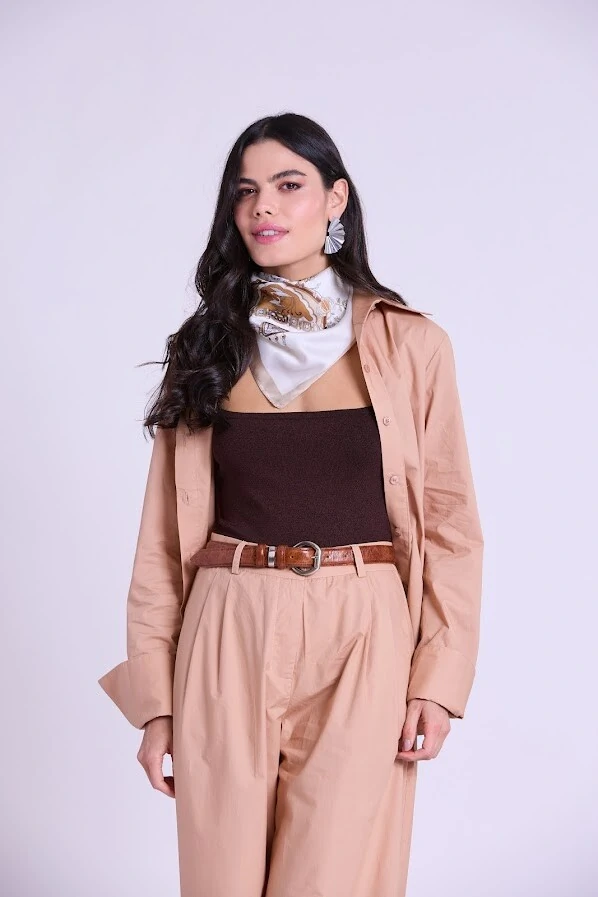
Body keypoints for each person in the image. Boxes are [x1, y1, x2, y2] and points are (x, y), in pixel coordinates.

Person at [98, 111, 484, 897]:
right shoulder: (205, 348)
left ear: (336, 199)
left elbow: (451, 526)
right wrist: (155, 703)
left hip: (363, 631)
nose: (263, 207)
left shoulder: (413, 346)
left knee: (333, 879)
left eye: (287, 185)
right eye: (246, 191)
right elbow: (161, 542)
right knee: (223, 881)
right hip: (226, 624)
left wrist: (436, 682)